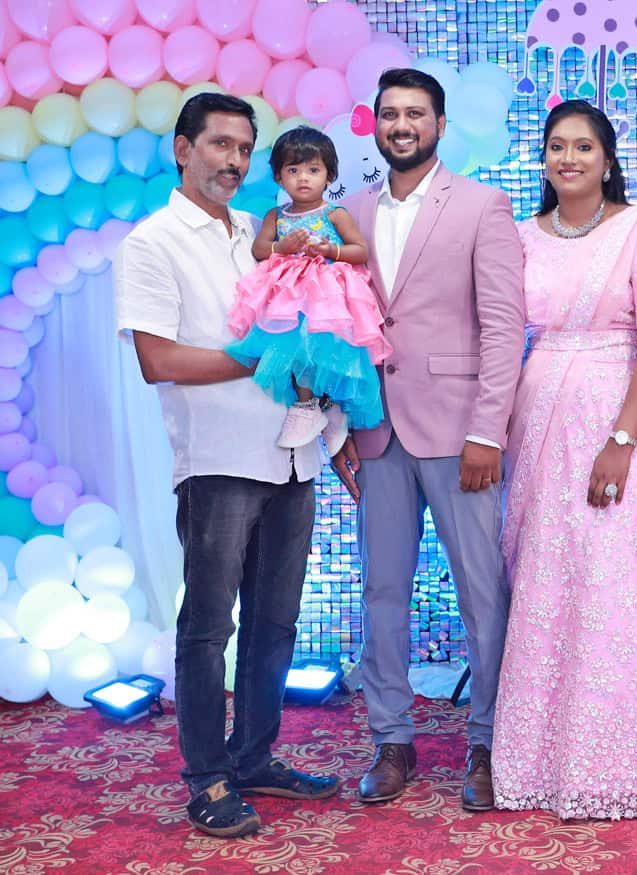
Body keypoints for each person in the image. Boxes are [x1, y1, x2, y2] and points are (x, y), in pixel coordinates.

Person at [114, 93, 338, 840]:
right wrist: (258, 359)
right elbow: (158, 359)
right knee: (210, 626)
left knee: (275, 625)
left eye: (244, 148)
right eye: (218, 145)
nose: (235, 161)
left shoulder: (260, 229)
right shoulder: (152, 243)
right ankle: (206, 776)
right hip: (216, 461)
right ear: (182, 150)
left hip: (293, 453)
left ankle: (254, 757)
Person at [490, 100, 637, 821]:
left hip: (618, 416)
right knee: (549, 576)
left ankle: (627, 757)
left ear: (608, 159)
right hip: (540, 412)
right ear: (543, 160)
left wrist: (621, 439)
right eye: (557, 146)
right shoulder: (520, 235)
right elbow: (499, 329)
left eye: (584, 146)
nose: (569, 157)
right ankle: (539, 758)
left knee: (614, 575)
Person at [329, 68, 525, 812]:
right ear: (373, 125)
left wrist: (488, 428)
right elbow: (334, 327)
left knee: (482, 590)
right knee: (381, 590)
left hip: (458, 429)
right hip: (373, 427)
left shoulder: (482, 204)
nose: (401, 124)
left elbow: (505, 326)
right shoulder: (344, 212)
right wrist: (340, 422)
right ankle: (391, 738)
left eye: (415, 113)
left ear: (440, 124)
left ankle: (488, 739)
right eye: (389, 113)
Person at [225, 126, 391, 453]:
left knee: (324, 350)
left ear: (329, 176)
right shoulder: (276, 215)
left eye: (313, 170)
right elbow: (260, 250)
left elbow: (361, 250)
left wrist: (332, 251)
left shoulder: (335, 213)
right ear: (278, 177)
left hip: (325, 295)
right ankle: (310, 408)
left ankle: (325, 407)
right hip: (289, 296)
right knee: (293, 349)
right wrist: (282, 246)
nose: (304, 178)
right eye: (293, 170)